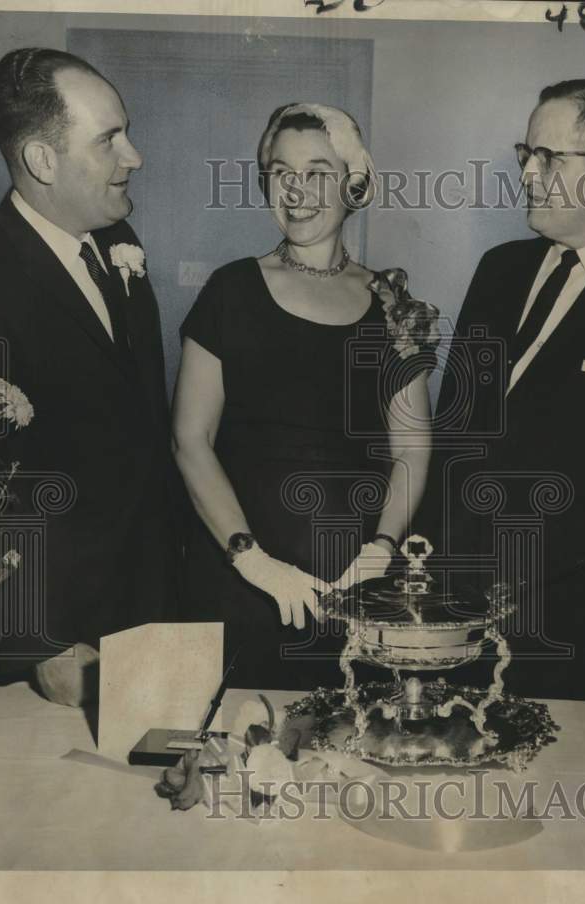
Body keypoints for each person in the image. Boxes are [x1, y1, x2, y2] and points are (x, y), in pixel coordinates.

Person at [420, 79, 585, 710]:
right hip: (458, 621)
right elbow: (454, 438)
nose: (529, 174)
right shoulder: (498, 269)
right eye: (526, 154)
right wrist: (423, 585)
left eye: (550, 158)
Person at [0, 48, 181, 704]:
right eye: (110, 140)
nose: (134, 157)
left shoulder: (117, 240)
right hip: (55, 646)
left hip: (145, 608)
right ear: (43, 161)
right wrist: (34, 646)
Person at [172, 103, 436, 689]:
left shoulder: (392, 301)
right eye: (281, 171)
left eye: (318, 170)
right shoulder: (231, 289)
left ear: (354, 181)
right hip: (242, 579)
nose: (297, 189)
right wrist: (251, 558)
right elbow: (191, 439)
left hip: (355, 586)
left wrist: (384, 545)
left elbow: (412, 450)